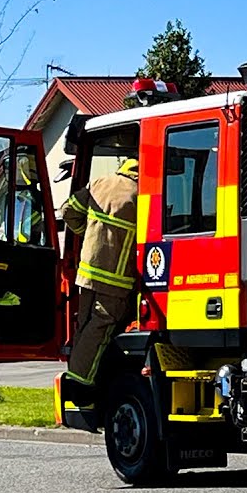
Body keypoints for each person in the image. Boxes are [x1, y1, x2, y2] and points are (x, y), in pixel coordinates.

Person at [59, 158, 140, 400]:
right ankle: (80, 385)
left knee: (84, 327)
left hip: (87, 273)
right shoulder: (140, 194)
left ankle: (77, 376)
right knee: (101, 328)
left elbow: (67, 211)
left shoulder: (99, 183)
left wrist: (88, 233)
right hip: (115, 278)